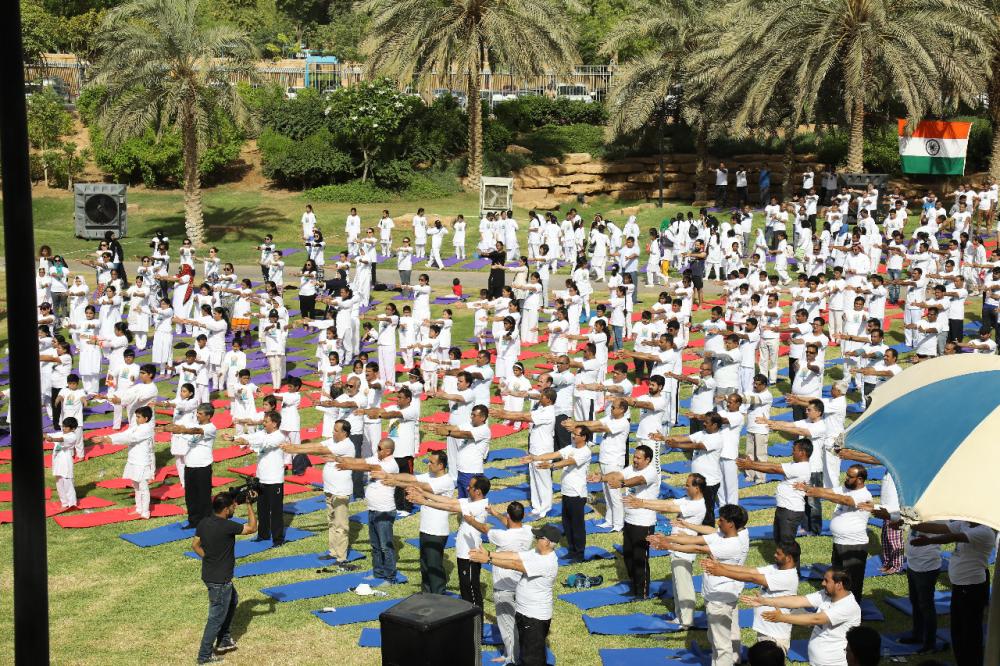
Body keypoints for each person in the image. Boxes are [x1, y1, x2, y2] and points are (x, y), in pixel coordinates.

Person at [653, 504, 750, 666]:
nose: (718, 522)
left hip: (719, 598)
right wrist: (668, 538)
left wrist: (669, 545)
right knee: (730, 631)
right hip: (727, 594)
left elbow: (697, 548)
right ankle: (735, 659)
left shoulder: (730, 545)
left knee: (720, 642)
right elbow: (694, 539)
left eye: (722, 520)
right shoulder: (726, 535)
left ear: (731, 523)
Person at [468, 523, 561, 666]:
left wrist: (488, 560)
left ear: (547, 542)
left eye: (539, 537)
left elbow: (515, 565)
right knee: (525, 653)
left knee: (533, 659)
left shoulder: (547, 562)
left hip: (535, 618)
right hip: (525, 613)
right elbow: (514, 556)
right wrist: (489, 554)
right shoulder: (537, 552)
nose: (536, 539)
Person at [624, 473, 708, 627]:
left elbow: (668, 507)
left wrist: (641, 503)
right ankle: (679, 616)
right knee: (677, 586)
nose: (685, 487)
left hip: (684, 549)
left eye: (688, 485)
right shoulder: (688, 500)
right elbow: (666, 503)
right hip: (676, 548)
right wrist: (642, 502)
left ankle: (687, 621)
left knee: (684, 586)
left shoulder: (696, 505)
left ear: (697, 488)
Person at [909, 519, 996, 666]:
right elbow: (940, 528)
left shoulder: (984, 531)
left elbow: (953, 537)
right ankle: (962, 661)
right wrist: (911, 524)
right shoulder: (964, 524)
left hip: (972, 588)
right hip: (959, 587)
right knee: (957, 631)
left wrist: (929, 541)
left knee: (970, 633)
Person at [741, 568, 861, 666]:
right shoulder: (826, 595)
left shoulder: (848, 606)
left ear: (839, 584)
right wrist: (766, 601)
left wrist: (783, 618)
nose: (822, 583)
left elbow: (816, 619)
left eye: (826, 580)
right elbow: (798, 600)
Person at [463, 501, 534, 663]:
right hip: (521, 586)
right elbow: (511, 524)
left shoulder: (501, 536)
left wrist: (470, 519)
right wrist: (495, 514)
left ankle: (511, 658)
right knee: (519, 623)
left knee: (507, 625)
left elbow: (484, 528)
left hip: (504, 588)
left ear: (508, 516)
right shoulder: (528, 531)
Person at [376, 450, 455, 593]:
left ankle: (438, 595)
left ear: (441, 465)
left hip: (437, 531)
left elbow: (422, 487)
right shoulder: (430, 475)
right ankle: (426, 594)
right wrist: (389, 475)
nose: (428, 465)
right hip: (425, 528)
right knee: (424, 564)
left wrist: (395, 482)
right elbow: (411, 478)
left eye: (432, 462)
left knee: (434, 565)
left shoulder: (446, 480)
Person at [280, 419, 357, 567]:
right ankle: (333, 552)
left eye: (336, 430)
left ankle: (341, 558)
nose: (333, 432)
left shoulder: (346, 445)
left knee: (341, 525)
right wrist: (295, 447)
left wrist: (294, 449)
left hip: (340, 491)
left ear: (344, 433)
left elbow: (320, 450)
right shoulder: (333, 440)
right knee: (332, 522)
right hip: (329, 489)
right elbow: (317, 445)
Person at [193, 491, 257, 664]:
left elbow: (195, 545)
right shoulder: (227, 526)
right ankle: (204, 655)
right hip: (220, 581)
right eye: (233, 506)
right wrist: (250, 505)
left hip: (210, 575)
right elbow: (252, 528)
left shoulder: (204, 523)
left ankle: (224, 639)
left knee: (233, 600)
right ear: (226, 509)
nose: (235, 508)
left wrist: (208, 557)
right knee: (215, 618)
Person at [701, 541, 801, 653]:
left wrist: (722, 572)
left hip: (775, 636)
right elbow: (750, 571)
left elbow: (752, 578)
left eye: (778, 554)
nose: (774, 555)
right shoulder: (776, 568)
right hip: (766, 631)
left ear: (788, 558)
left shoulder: (788, 577)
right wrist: (719, 565)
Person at [408, 474, 491, 607]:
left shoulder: (479, 506)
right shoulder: (471, 501)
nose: (467, 487)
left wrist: (424, 501)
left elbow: (450, 508)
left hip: (471, 555)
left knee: (472, 593)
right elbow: (449, 501)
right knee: (465, 590)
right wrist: (423, 493)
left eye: (470, 486)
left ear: (478, 491)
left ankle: (476, 625)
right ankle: (467, 623)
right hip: (463, 553)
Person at [588, 444, 660, 598]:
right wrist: (601, 477)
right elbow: (617, 474)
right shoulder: (631, 468)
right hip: (629, 520)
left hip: (644, 523)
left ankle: (642, 593)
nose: (635, 460)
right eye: (634, 457)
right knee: (628, 554)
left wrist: (622, 484)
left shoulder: (651, 472)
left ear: (647, 460)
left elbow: (638, 480)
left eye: (638, 458)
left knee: (640, 558)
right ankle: (635, 583)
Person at [797, 464, 872, 603]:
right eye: (847, 474)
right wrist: (808, 488)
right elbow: (829, 490)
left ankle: (852, 609)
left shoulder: (864, 495)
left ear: (860, 479)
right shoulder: (845, 488)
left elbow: (844, 500)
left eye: (850, 476)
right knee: (838, 577)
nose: (846, 478)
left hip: (854, 546)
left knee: (852, 581)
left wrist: (819, 494)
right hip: (839, 542)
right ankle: (838, 603)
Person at [523, 423, 593, 563]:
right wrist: (535, 458)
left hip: (577, 494)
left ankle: (579, 554)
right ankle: (572, 550)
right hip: (566, 492)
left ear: (584, 437)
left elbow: (568, 461)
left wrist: (551, 465)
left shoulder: (585, 451)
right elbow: (555, 454)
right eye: (573, 433)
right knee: (567, 524)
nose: (573, 436)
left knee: (577, 526)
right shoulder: (570, 447)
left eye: (576, 434)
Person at [337, 438, 401, 583]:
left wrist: (347, 466)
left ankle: (390, 577)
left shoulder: (391, 465)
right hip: (373, 509)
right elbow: (361, 461)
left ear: (388, 451)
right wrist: (338, 458)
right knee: (375, 545)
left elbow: (369, 468)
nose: (377, 450)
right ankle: (378, 573)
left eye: (379, 448)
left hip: (384, 511)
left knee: (386, 547)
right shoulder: (377, 458)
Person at [737, 438, 812, 547]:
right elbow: (774, 466)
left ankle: (792, 564)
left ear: (802, 453)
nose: (792, 452)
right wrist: (752, 463)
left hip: (790, 511)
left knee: (787, 545)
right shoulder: (796, 464)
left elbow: (774, 469)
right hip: (785, 508)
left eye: (794, 450)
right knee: (779, 541)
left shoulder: (801, 467)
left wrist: (751, 465)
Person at [227, 412, 287, 545]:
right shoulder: (263, 433)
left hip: (274, 479)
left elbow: (265, 443)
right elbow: (252, 436)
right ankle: (263, 534)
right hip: (261, 478)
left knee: (275, 511)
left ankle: (278, 539)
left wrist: (247, 441)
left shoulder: (279, 436)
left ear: (274, 423)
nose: (263, 423)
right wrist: (233, 438)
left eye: (266, 421)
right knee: (262, 508)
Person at [158, 403, 218, 528]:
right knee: (190, 496)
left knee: (204, 496)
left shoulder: (211, 428)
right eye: (197, 412)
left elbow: (195, 431)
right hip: (189, 465)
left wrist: (183, 431)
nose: (197, 415)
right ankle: (193, 521)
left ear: (208, 416)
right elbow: (180, 426)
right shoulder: (194, 423)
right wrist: (165, 428)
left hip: (203, 466)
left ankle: (206, 523)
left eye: (200, 414)